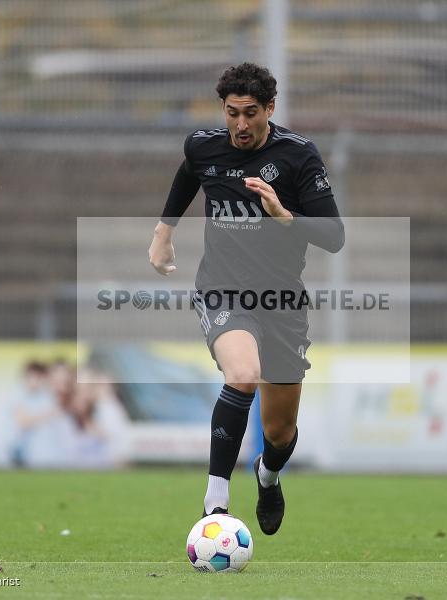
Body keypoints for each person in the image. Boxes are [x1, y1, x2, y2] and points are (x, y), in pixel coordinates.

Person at [149, 62, 344, 534]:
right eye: (232, 112)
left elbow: (334, 236)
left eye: (251, 113)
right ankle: (215, 501)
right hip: (222, 288)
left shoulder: (299, 156)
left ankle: (268, 475)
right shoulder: (203, 146)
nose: (240, 124)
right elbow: (187, 177)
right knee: (243, 375)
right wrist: (163, 231)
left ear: (270, 109)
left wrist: (282, 214)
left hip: (281, 303)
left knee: (279, 433)